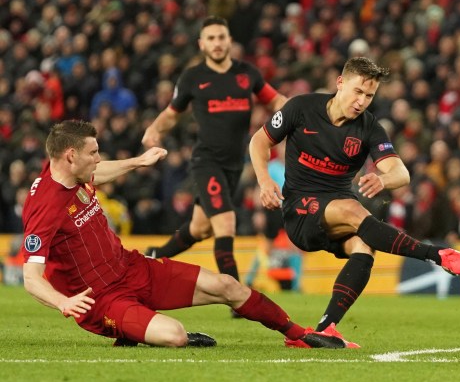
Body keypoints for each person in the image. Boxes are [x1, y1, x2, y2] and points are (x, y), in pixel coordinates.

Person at [21, 120, 340, 349]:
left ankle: (299, 334)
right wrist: (64, 303)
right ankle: (140, 331)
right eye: (93, 152)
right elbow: (31, 277)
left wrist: (138, 162)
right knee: (174, 336)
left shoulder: (70, 173)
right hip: (102, 299)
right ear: (70, 156)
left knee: (226, 285)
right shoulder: (45, 205)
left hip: (132, 268)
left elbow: (96, 173)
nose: (99, 158)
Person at [249, 57, 460, 348]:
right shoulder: (300, 108)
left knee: (364, 246)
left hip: (337, 213)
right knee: (353, 208)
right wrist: (264, 181)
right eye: (358, 92)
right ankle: (436, 255)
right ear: (340, 83)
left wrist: (383, 180)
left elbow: (401, 172)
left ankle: (325, 328)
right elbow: (259, 141)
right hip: (300, 209)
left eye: (369, 96)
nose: (362, 102)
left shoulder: (369, 127)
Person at [142, 17, 286, 288]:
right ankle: (237, 296)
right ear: (201, 44)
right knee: (226, 224)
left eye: (221, 37)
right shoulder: (193, 78)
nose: (217, 43)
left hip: (234, 165)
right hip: (207, 162)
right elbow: (172, 114)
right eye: (211, 38)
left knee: (200, 228)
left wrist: (296, 112)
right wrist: (154, 128)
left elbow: (276, 100)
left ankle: (154, 256)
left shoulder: (248, 74)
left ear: (229, 41)